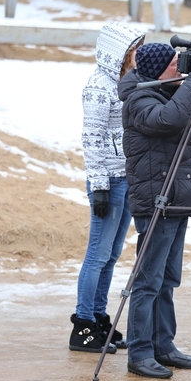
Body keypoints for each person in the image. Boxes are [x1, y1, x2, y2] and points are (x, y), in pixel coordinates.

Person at [118, 43, 191, 378]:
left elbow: (179, 153)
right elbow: (168, 120)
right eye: (176, 63)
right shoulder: (140, 100)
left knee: (167, 279)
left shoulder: (166, 92)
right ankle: (140, 352)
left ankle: (164, 345)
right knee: (148, 280)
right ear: (159, 69)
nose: (182, 67)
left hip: (175, 198)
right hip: (155, 202)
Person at [70, 21, 145, 354]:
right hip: (109, 182)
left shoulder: (125, 83)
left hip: (126, 178)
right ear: (122, 52)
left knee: (112, 255)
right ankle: (83, 326)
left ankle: (100, 317)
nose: (140, 54)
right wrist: (99, 185)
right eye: (136, 49)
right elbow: (92, 138)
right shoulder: (99, 86)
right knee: (97, 255)